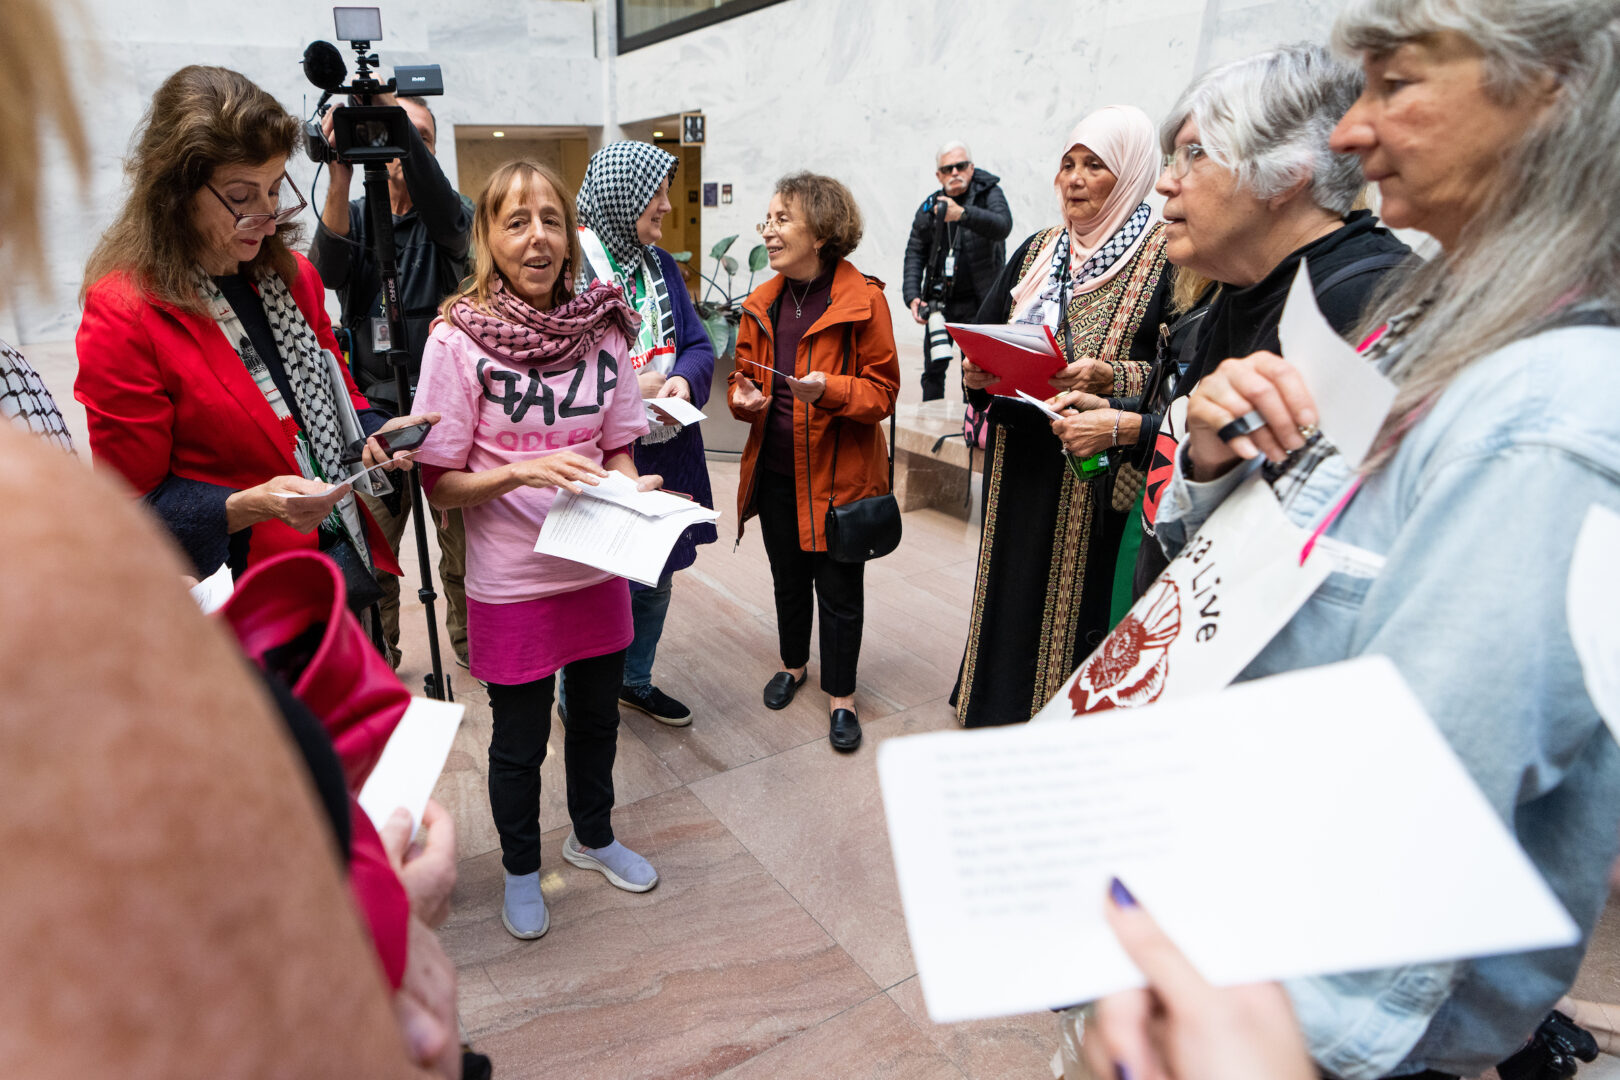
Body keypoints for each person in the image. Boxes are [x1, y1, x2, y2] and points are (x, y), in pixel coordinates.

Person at [1146, 0, 1620, 1075]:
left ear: (1551, 91)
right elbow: (1311, 542)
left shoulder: (1550, 407)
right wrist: (1218, 459)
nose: (1348, 136)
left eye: (1395, 84)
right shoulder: (1433, 312)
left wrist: (1234, 1044)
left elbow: (1419, 798)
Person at [1048, 43, 1412, 605]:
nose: (1166, 183)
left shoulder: (1367, 309)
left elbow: (1324, 574)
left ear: (1289, 172)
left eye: (1195, 154)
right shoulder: (1245, 288)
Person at [412, 159, 662, 941]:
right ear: (488, 236)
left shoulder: (603, 328)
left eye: (551, 218)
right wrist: (522, 468)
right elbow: (440, 483)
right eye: (516, 221)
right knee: (519, 742)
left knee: (595, 721)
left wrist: (629, 488)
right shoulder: (456, 342)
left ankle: (592, 836)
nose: (538, 237)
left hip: (597, 567)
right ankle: (522, 867)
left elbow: (620, 443)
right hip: (511, 581)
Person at [74, 66, 431, 612]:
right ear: (176, 192)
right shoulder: (126, 312)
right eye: (242, 196)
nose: (266, 219)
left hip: (335, 567)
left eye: (274, 188)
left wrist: (378, 431)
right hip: (236, 597)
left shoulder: (290, 278)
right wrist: (248, 506)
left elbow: (335, 399)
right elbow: (134, 506)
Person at [951, 105, 1171, 729]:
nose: (1074, 179)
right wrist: (978, 375)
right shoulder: (1039, 251)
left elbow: (1173, 372)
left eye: (1094, 165)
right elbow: (987, 336)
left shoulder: (1164, 256)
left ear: (1128, 174)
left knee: (1078, 600)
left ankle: (1054, 722)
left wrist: (1112, 377)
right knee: (1010, 582)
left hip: (1097, 470)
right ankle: (992, 704)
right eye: (1067, 165)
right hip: (1019, 454)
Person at [728, 172, 900, 752]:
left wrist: (829, 391)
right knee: (786, 577)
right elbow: (743, 378)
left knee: (840, 588)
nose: (768, 233)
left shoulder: (863, 301)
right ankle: (794, 664)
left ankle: (843, 696)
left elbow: (883, 395)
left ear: (821, 231)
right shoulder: (762, 302)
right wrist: (742, 399)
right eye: (767, 220)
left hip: (840, 480)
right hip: (775, 470)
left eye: (781, 220)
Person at [310, 92, 474, 669]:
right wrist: (339, 175)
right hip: (374, 417)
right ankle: (378, 660)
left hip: (445, 417)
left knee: (460, 552)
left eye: (419, 137)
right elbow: (325, 274)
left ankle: (475, 653)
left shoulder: (454, 218)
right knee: (374, 550)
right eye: (395, 133)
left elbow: (450, 222)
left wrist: (396, 124)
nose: (404, 146)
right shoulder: (354, 216)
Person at [575, 140, 717, 727]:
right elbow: (561, 371)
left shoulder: (660, 266)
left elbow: (699, 345)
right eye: (655, 192)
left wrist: (683, 380)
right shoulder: (573, 268)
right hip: (608, 455)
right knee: (599, 580)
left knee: (655, 574)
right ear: (622, 196)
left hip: (669, 450)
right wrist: (633, 390)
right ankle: (576, 694)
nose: (664, 205)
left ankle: (634, 680)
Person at [901, 141, 1013, 400]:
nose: (954, 173)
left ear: (971, 168)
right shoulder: (931, 206)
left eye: (960, 166)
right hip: (941, 302)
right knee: (933, 368)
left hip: (981, 302)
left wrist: (962, 214)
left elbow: (1002, 225)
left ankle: (972, 424)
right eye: (947, 168)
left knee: (974, 372)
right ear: (938, 175)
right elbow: (915, 252)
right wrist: (912, 296)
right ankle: (929, 425)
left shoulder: (990, 194)